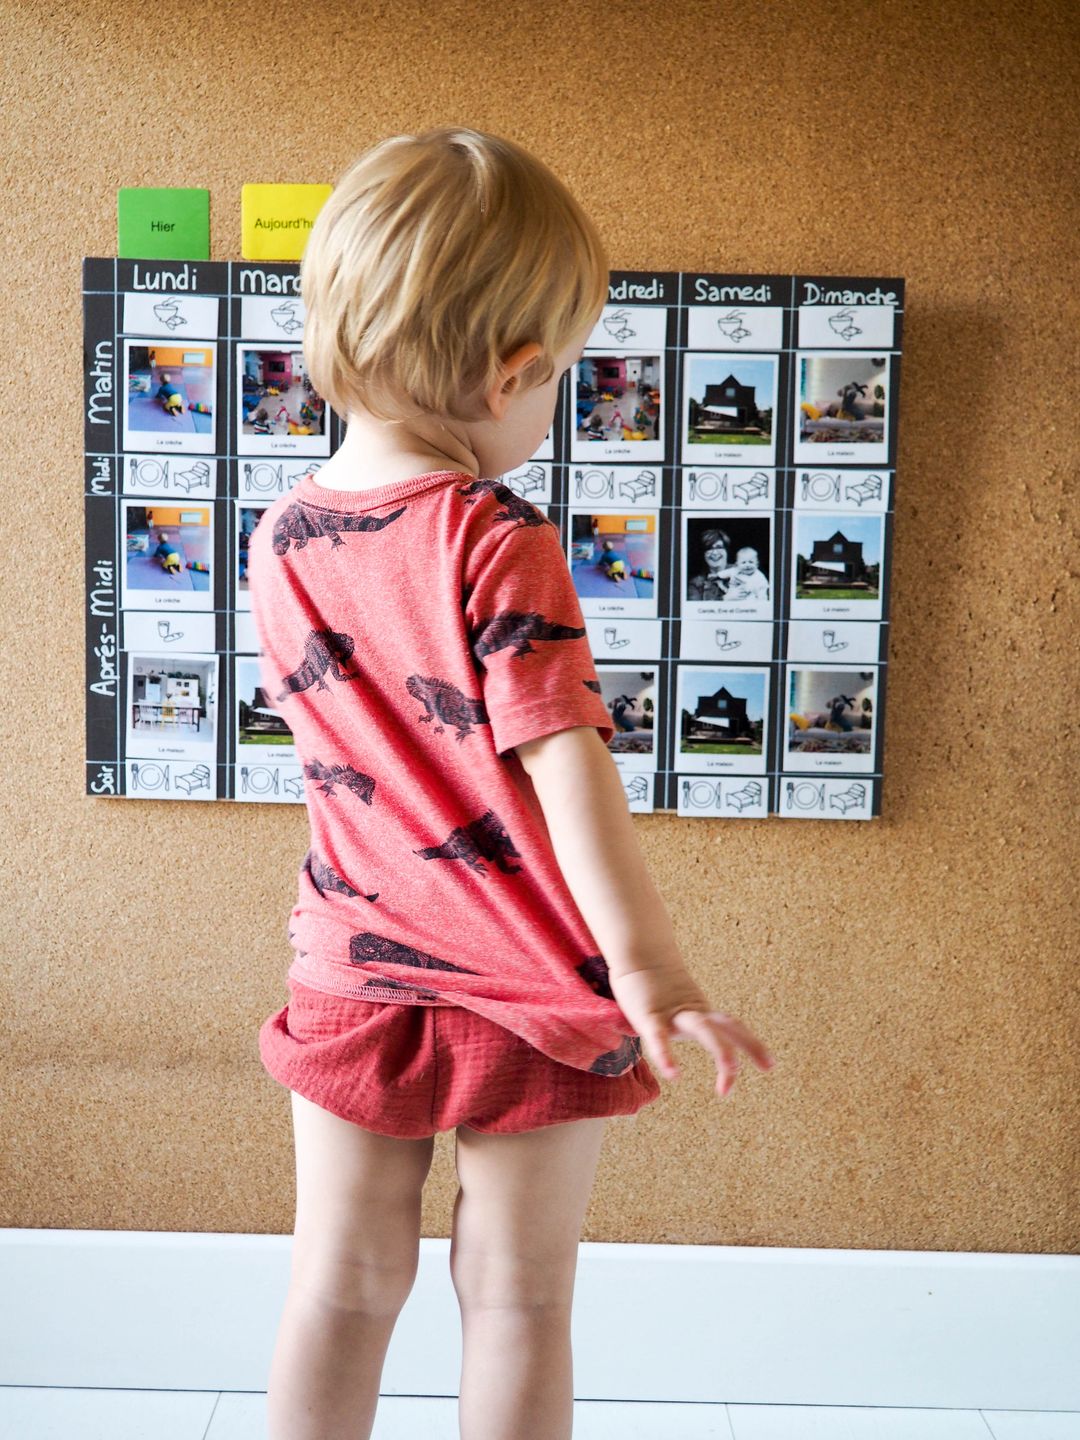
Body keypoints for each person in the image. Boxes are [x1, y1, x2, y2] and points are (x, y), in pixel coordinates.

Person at [247, 127, 775, 1440]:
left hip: (354, 969)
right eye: (562, 379)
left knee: (339, 1284)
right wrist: (655, 975)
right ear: (515, 372)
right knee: (520, 1298)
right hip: (532, 986)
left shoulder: (285, 533)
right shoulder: (495, 534)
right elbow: (568, 764)